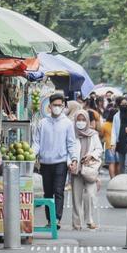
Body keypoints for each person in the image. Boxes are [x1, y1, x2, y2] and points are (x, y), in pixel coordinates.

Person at [34, 94, 78, 224]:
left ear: (64, 106)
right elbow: (36, 142)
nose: (57, 107)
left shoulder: (68, 124)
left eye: (60, 105)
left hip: (61, 163)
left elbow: (71, 143)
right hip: (45, 163)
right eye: (55, 105)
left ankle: (57, 219)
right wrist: (32, 154)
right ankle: (49, 220)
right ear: (50, 106)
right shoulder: (42, 123)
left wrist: (74, 158)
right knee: (47, 193)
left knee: (58, 191)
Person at [71, 109, 103, 230]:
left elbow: (99, 149)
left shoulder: (93, 134)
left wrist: (91, 155)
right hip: (76, 169)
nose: (81, 122)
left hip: (89, 169)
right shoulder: (72, 134)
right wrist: (71, 162)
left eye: (83, 120)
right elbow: (69, 149)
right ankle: (76, 223)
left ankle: (89, 220)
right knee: (76, 197)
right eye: (78, 120)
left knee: (90, 194)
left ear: (87, 121)